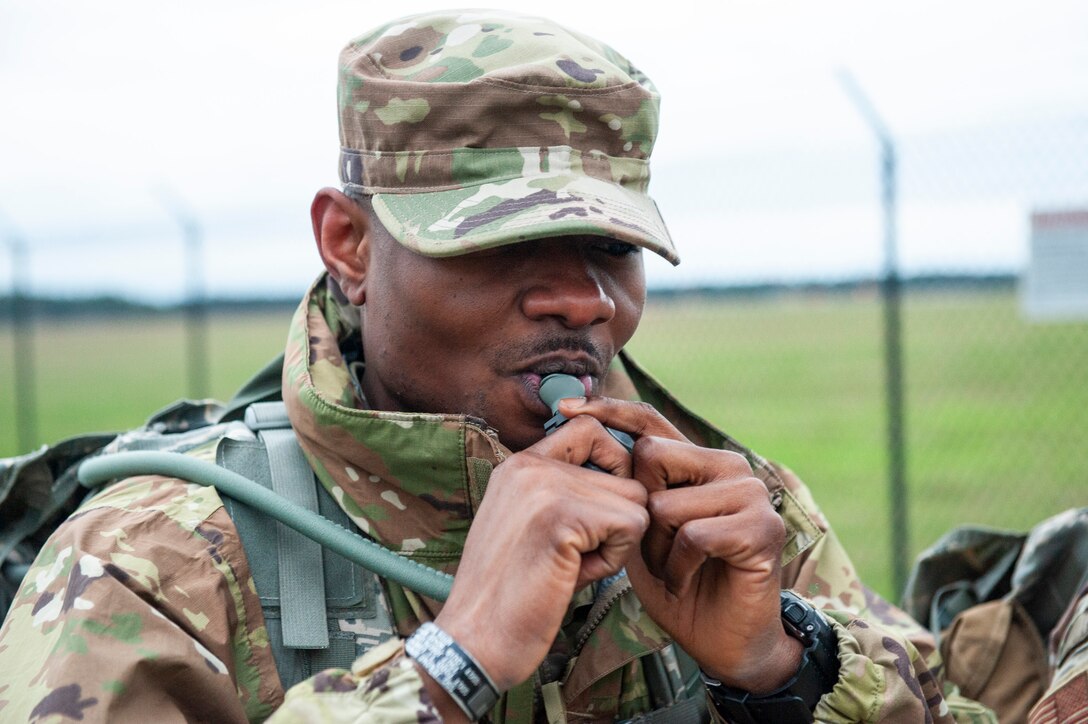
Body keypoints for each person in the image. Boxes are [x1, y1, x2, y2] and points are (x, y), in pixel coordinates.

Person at [0, 10, 997, 723]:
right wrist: (449, 666)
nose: (584, 300)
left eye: (611, 249)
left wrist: (781, 667)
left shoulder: (732, 517)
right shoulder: (157, 555)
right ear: (350, 245)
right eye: (502, 242)